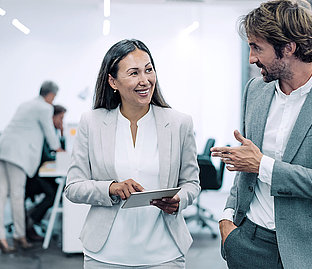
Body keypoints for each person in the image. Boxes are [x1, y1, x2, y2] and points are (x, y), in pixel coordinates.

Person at [210, 1, 312, 268]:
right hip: (249, 243)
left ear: (288, 48)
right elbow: (245, 163)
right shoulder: (255, 90)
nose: (251, 58)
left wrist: (263, 166)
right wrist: (228, 220)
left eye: (257, 47)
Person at [65, 39, 200, 268]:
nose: (144, 80)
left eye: (148, 70)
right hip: (105, 255)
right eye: (134, 73)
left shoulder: (179, 123)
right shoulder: (92, 122)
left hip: (164, 254)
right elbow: (73, 187)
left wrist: (180, 199)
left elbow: (191, 183)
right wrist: (110, 188)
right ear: (113, 81)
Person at [0, 81, 63, 253]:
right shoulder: (44, 108)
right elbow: (50, 132)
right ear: (51, 95)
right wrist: (59, 150)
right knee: (16, 195)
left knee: (2, 195)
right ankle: (20, 236)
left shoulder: (25, 104)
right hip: (18, 154)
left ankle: (2, 238)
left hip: (4, 148)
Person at [25, 104, 67, 241]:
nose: (62, 122)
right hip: (34, 176)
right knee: (53, 194)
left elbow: (59, 150)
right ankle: (29, 222)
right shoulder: (43, 134)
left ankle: (31, 218)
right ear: (52, 117)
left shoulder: (53, 133)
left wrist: (62, 133)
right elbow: (46, 156)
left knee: (58, 192)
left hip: (40, 175)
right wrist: (59, 156)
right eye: (60, 118)